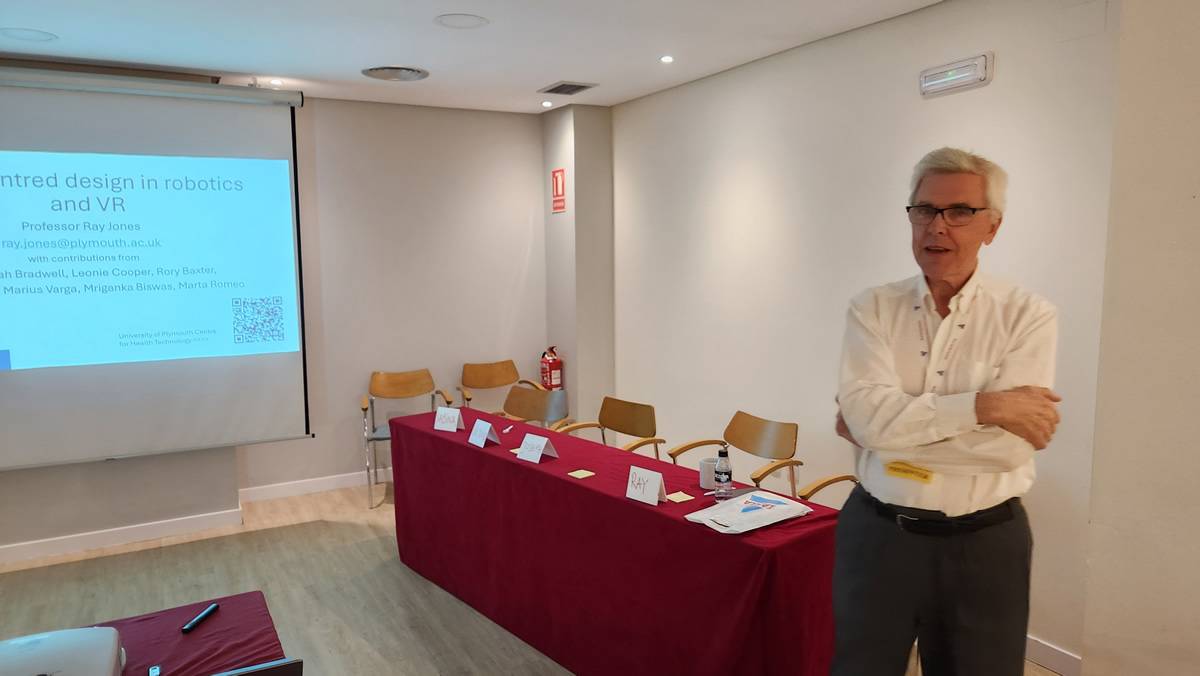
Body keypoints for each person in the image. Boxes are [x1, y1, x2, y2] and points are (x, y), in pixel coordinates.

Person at [832, 147, 1061, 675]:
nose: (937, 226)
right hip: (879, 534)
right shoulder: (871, 308)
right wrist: (986, 406)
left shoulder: (1027, 315)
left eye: (959, 211)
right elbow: (865, 417)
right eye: (924, 210)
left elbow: (1008, 450)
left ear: (992, 227)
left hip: (985, 544)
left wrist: (885, 435)